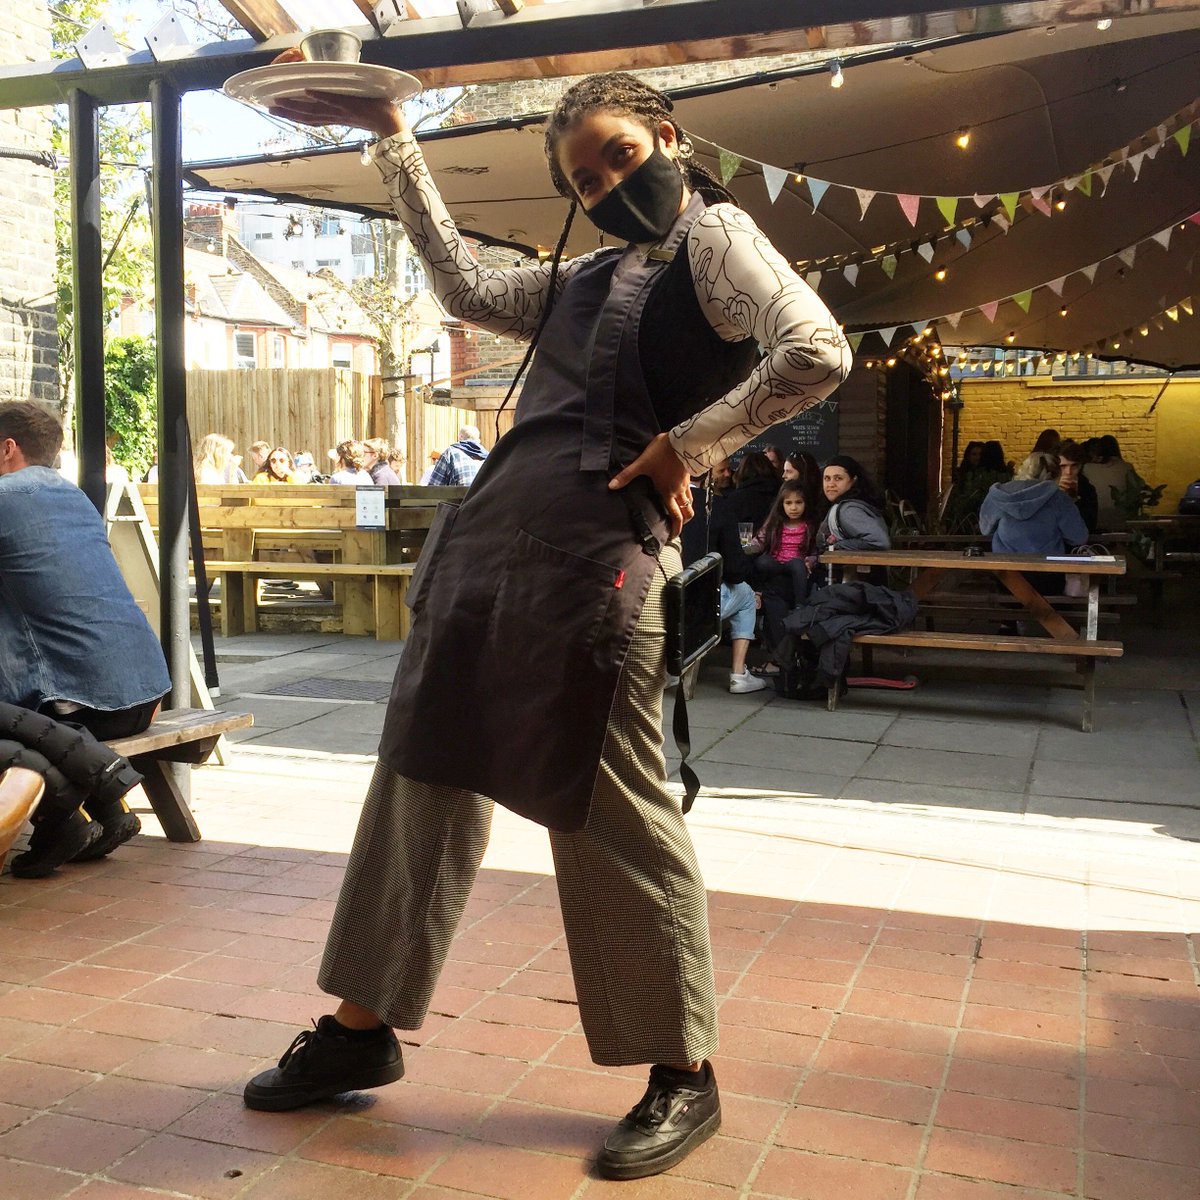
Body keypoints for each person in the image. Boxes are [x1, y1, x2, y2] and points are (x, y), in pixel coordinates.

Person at [249, 68, 850, 1181]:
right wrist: (396, 141)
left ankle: (683, 1072)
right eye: (586, 176)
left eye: (621, 155)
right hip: (488, 544)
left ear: (668, 135)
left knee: (608, 806)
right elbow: (468, 286)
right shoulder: (589, 271)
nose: (608, 182)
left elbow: (816, 350)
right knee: (420, 774)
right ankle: (361, 1027)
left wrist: (691, 444)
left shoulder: (716, 242)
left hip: (598, 562)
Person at [0, 402, 170, 874]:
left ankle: (61, 820)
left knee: (9, 720)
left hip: (89, 704)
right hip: (146, 691)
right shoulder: (74, 497)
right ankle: (108, 812)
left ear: (7, 448)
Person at [679, 480, 767, 694]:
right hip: (698, 605)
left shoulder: (656, 499)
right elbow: (736, 571)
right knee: (746, 594)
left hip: (654, 600)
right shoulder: (715, 506)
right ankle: (738, 675)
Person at [979, 451, 1088, 582]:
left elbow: (985, 529)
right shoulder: (1059, 498)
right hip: (1048, 576)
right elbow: (1079, 537)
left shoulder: (999, 494)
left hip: (1005, 576)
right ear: (1055, 475)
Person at [748, 479, 817, 661]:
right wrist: (745, 546)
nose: (793, 508)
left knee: (797, 564)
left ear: (805, 504)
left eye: (798, 502)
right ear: (781, 504)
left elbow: (814, 552)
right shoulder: (775, 525)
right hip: (776, 566)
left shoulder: (808, 527)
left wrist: (810, 561)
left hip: (796, 568)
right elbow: (758, 542)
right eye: (789, 503)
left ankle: (800, 605)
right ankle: (759, 590)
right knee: (762, 561)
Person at [815, 455, 890, 553]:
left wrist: (837, 545)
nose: (831, 484)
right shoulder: (842, 505)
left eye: (838, 478)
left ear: (853, 480)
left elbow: (880, 541)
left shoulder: (848, 510)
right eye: (827, 478)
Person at [1082, 434, 1144, 531]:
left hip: (1095, 522)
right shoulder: (1126, 467)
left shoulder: (1087, 468)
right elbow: (1136, 494)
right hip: (1122, 522)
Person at [1056, 439, 1098, 534]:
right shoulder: (1045, 488)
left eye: (1074, 466)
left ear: (1080, 466)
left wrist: (1075, 500)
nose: (1068, 472)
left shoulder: (1087, 490)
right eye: (1063, 466)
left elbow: (1089, 526)